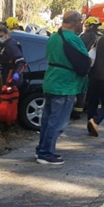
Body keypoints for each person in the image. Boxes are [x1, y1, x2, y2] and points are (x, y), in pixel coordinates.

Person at [36, 10, 87, 165]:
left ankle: (41, 149)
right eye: (80, 21)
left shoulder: (53, 37)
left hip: (51, 80)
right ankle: (46, 153)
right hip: (65, 84)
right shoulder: (74, 39)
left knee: (47, 119)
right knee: (57, 122)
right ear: (76, 22)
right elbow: (84, 62)